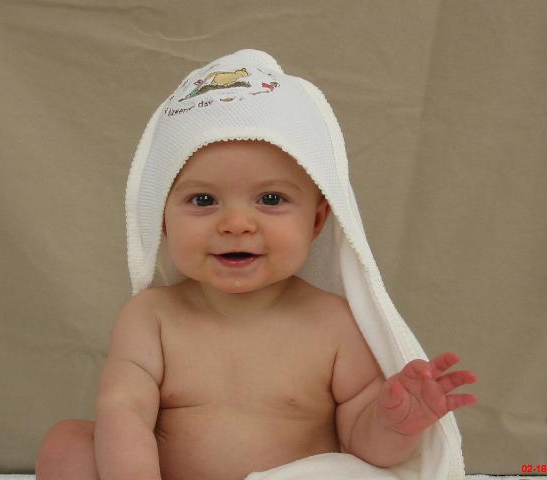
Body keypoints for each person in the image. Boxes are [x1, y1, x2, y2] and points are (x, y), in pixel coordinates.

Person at [36, 50, 477, 480]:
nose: (236, 224)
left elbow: (365, 448)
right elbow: (125, 410)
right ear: (163, 221)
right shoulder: (151, 317)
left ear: (317, 221)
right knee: (69, 442)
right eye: (203, 200)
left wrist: (394, 422)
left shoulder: (334, 324)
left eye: (270, 199)